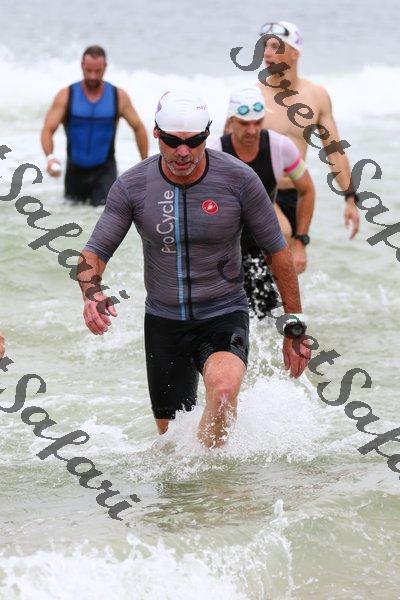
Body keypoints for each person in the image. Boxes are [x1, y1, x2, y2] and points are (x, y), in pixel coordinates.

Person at [77, 90, 311, 449]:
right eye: (173, 141)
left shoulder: (239, 179)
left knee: (223, 391)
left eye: (194, 141)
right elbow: (94, 252)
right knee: (171, 445)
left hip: (223, 314)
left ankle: (217, 480)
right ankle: (198, 484)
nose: (183, 152)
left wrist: (294, 324)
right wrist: (92, 292)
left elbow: (277, 252)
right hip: (164, 323)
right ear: (157, 134)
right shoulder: (133, 185)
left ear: (208, 135)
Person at [210, 86, 314, 317]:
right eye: (244, 123)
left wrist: (301, 242)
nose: (252, 130)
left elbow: (307, 190)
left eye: (257, 122)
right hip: (223, 248)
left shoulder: (280, 147)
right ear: (231, 121)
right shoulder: (214, 153)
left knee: (266, 320)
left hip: (262, 248)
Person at [256, 21, 360, 240]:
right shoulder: (253, 96)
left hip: (297, 195)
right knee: (281, 236)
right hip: (259, 193)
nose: (266, 53)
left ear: (295, 53)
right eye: (264, 46)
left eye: (275, 46)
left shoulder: (316, 96)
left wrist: (350, 198)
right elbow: (227, 151)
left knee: (294, 257)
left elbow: (334, 151)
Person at [41, 45, 148, 206]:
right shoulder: (66, 95)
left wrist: (144, 164)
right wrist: (50, 157)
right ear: (82, 66)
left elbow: (138, 127)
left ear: (105, 67)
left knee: (105, 216)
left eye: (97, 71)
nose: (92, 76)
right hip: (74, 172)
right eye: (88, 70)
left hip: (105, 172)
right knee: (70, 217)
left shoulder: (118, 96)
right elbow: (48, 129)